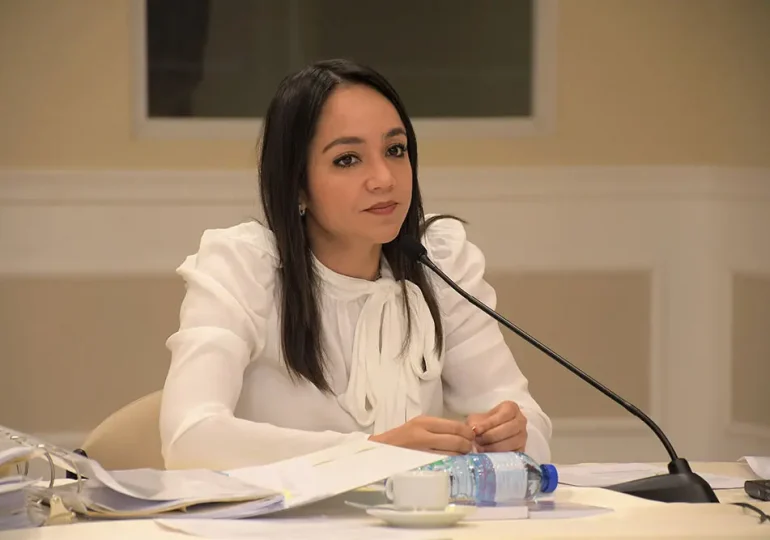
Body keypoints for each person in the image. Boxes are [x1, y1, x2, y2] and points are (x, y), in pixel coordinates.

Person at [159, 59, 552, 471]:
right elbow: (189, 439)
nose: (384, 178)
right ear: (297, 185)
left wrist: (514, 435)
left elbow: (527, 420)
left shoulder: (438, 258)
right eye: (347, 159)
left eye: (395, 150)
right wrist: (372, 453)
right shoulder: (242, 266)